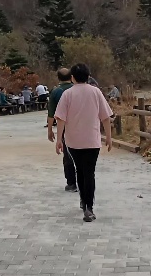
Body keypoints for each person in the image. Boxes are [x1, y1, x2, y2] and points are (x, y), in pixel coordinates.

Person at [52, 63, 113, 222]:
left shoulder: (67, 94)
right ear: (88, 76)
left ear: (72, 78)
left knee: (79, 171)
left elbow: (60, 119)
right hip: (92, 140)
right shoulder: (96, 92)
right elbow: (105, 117)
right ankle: (89, 207)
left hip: (73, 141)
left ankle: (84, 201)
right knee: (89, 172)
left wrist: (59, 140)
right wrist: (109, 136)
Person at [46, 68, 76, 192]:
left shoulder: (56, 92)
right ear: (71, 77)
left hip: (64, 127)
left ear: (58, 78)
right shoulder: (77, 89)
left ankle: (71, 182)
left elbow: (51, 113)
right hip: (81, 125)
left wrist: (49, 130)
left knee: (68, 154)